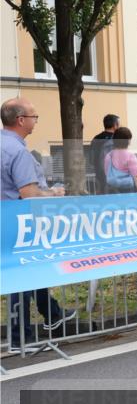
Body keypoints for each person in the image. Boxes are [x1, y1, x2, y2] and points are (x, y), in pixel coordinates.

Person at [1, 98, 77, 352]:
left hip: (5, 220)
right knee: (21, 278)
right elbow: (30, 193)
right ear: (21, 120)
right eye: (34, 117)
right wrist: (55, 193)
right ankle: (18, 339)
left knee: (31, 270)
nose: (36, 121)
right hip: (18, 223)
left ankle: (53, 313)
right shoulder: (18, 151)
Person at [104, 126, 137, 193]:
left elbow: (107, 173)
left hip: (112, 191)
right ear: (128, 140)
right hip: (128, 192)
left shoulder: (109, 155)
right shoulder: (131, 156)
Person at [89, 114, 119, 194]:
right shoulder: (117, 139)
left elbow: (91, 159)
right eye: (118, 124)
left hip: (99, 175)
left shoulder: (96, 138)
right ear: (115, 125)